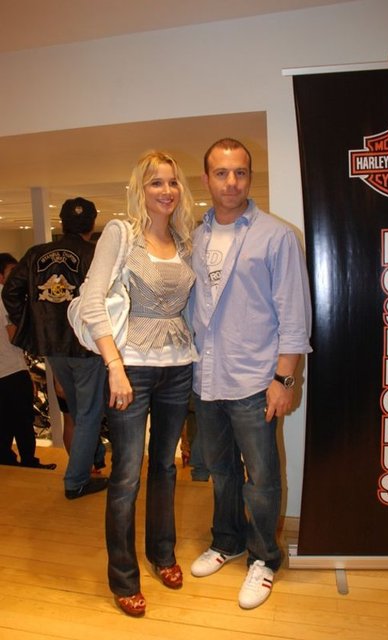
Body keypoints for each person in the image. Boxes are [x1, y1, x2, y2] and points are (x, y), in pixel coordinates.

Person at [189, 138, 312, 609]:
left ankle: (263, 558)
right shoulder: (195, 237)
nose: (231, 182)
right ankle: (227, 540)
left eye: (240, 172)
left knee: (261, 478)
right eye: (221, 173)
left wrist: (284, 380)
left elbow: (294, 315)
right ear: (207, 179)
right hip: (207, 378)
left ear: (250, 177)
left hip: (255, 380)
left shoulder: (276, 236)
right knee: (220, 471)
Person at [77, 151, 196, 617]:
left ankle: (162, 554)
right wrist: (114, 365)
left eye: (172, 182)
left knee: (165, 467)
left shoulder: (184, 239)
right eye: (155, 183)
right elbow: (92, 301)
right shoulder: (121, 234)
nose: (166, 190)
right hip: (131, 368)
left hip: (178, 367)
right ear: (140, 189)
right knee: (126, 474)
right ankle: (123, 577)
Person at [2, 198, 108, 499]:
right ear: (92, 224)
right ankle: (76, 480)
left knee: (78, 410)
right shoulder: (94, 253)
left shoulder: (36, 254)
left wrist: (30, 324)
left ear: (62, 222)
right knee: (88, 414)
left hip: (52, 345)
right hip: (87, 345)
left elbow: (11, 292)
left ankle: (91, 460)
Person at [0, 253, 57, 470]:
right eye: (11, 272)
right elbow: (13, 336)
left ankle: (6, 458)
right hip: (12, 369)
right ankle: (29, 461)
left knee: (4, 420)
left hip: (5, 370)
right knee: (23, 420)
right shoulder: (5, 299)